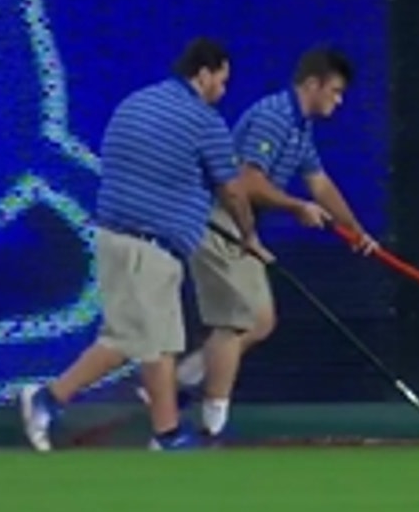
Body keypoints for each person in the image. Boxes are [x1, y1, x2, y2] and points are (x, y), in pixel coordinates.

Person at [19, 38, 265, 451]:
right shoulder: (205, 122)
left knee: (159, 343)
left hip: (123, 239)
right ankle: (47, 399)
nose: (222, 92)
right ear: (203, 74)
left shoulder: (135, 102)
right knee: (127, 341)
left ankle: (165, 433)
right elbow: (233, 190)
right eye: (221, 82)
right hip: (145, 247)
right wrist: (249, 236)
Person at [157, 46, 378, 439]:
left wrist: (356, 232)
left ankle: (174, 383)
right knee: (235, 319)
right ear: (312, 84)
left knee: (260, 321)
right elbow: (245, 181)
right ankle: (211, 426)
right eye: (335, 91)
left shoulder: (301, 127)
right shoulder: (274, 116)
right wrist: (296, 207)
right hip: (218, 219)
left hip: (242, 225)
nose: (338, 101)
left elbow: (320, 183)